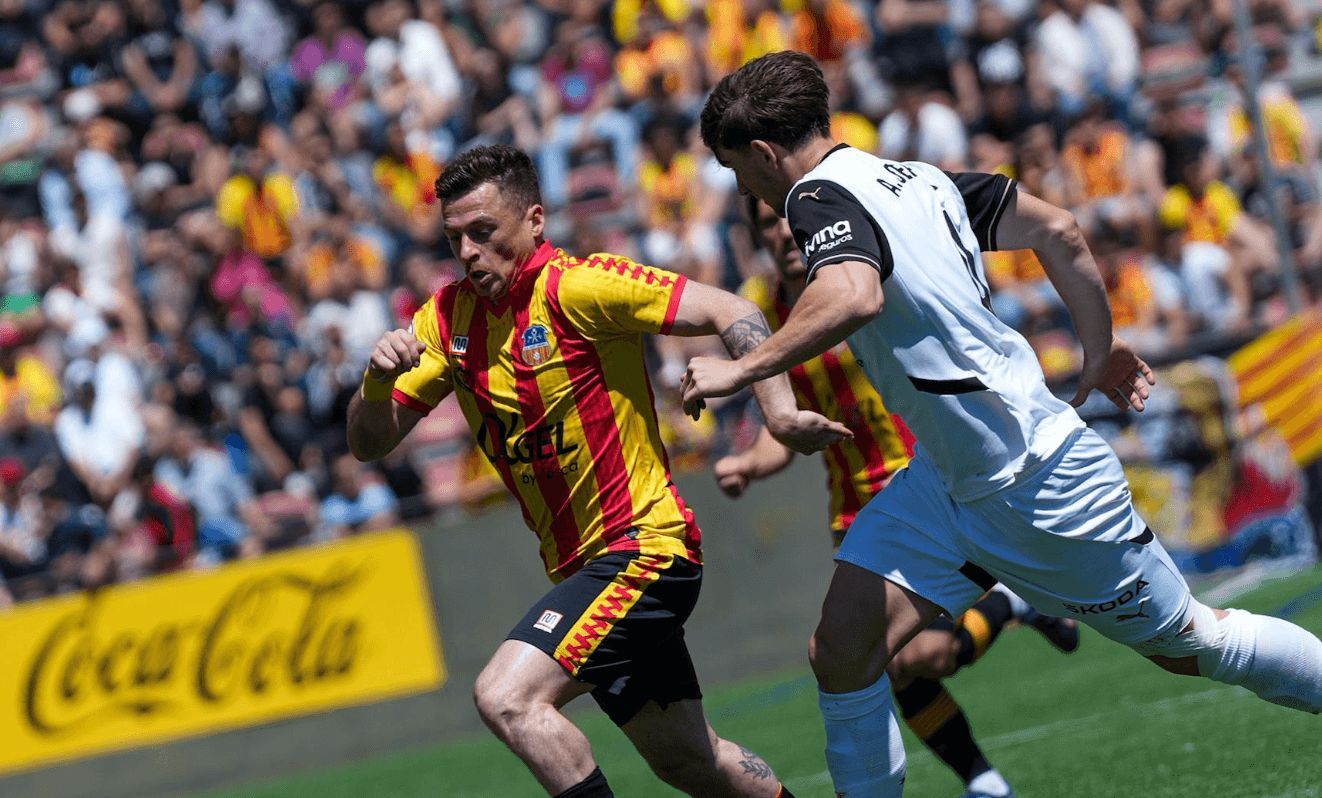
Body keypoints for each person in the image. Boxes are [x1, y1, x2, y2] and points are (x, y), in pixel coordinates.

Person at [686, 51, 1322, 796]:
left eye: (739, 171)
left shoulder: (814, 196)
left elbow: (853, 296)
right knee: (843, 649)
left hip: (1037, 481)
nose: (745, 188)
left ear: (763, 153)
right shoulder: (921, 179)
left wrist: (740, 370)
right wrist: (1100, 342)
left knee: (1189, 644)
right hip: (949, 484)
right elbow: (1058, 229)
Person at [346, 144, 848, 798]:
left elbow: (734, 310)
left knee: (506, 696)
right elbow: (368, 443)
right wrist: (378, 383)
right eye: (455, 239)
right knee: (691, 762)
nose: (468, 252)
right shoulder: (446, 320)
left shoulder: (579, 286)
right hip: (585, 573)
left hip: (646, 552)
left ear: (534, 221)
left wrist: (779, 416)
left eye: (483, 233)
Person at [716, 196, 1080, 798]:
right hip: (851, 511)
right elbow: (788, 430)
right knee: (877, 663)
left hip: (916, 483)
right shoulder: (764, 316)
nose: (781, 232)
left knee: (921, 658)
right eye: (765, 225)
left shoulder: (850, 277)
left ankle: (1012, 606)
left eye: (785, 217)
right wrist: (749, 466)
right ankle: (985, 781)